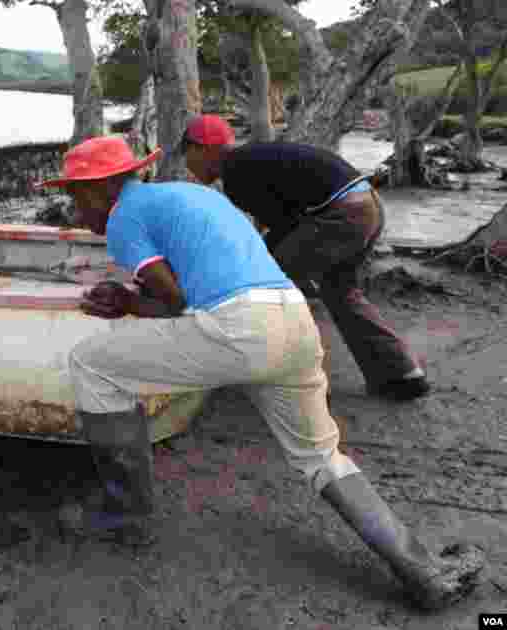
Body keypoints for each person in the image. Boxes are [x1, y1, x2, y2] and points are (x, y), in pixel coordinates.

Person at [39, 135, 483, 611]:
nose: (76, 210)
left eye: (76, 197)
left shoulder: (124, 217)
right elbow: (199, 282)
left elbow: (177, 301)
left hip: (240, 329)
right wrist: (136, 301)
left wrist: (127, 303)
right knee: (320, 457)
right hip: (293, 321)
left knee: (92, 364)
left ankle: (125, 514)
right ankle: (424, 572)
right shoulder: (194, 195)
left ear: (98, 189)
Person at [181, 114, 430, 401]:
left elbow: (283, 227)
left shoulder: (235, 171)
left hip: (341, 215)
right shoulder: (251, 159)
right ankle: (401, 374)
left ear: (202, 148)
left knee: (267, 287)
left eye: (187, 154)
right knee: (340, 291)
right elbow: (284, 222)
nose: (188, 165)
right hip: (367, 205)